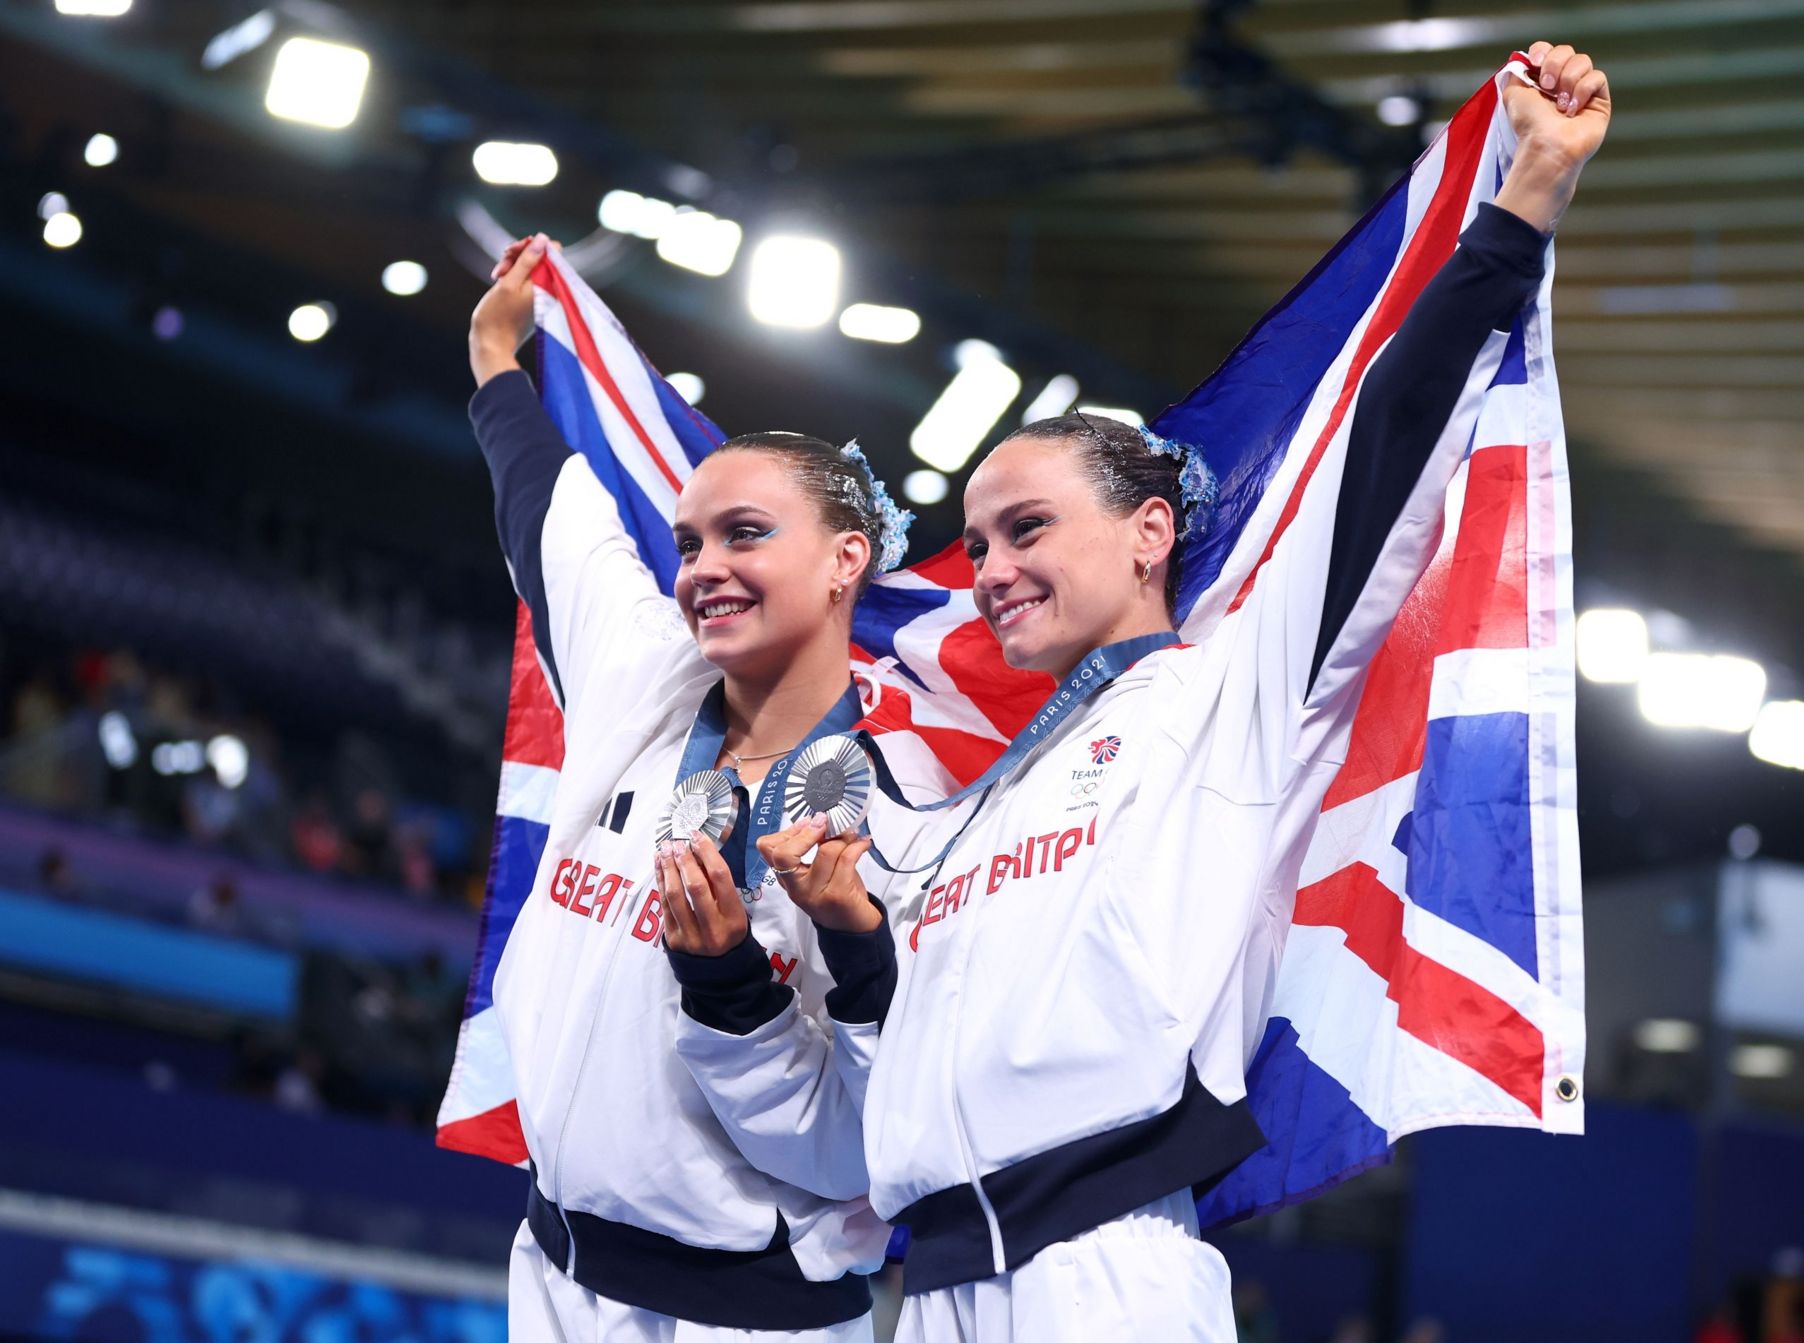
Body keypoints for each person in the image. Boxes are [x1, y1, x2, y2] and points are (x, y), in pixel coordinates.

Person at [671, 38, 1609, 1342]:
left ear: (1151, 531)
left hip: (1102, 1277)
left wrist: (1518, 212)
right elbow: (877, 1097)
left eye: (1029, 528)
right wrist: (809, 956)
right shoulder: (972, 805)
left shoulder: (1230, 687)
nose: (990, 568)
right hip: (937, 1286)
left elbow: (1384, 443)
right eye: (981, 539)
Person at [466, 237, 940, 1341]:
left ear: (844, 560)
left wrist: (738, 985)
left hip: (746, 1313)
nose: (700, 569)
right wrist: (496, 356)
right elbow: (546, 509)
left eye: (745, 533)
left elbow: (872, 1131)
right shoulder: (644, 674)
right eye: (687, 542)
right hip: (554, 1266)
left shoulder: (906, 806)